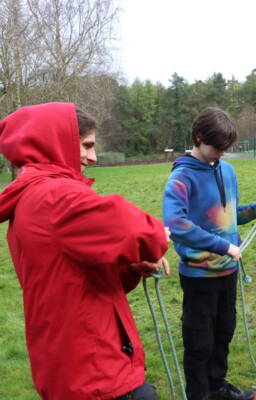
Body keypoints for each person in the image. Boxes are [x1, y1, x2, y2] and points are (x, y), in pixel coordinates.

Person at [0, 102, 170, 400]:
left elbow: (73, 274)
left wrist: (129, 268)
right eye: (86, 145)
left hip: (68, 358)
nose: (92, 157)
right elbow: (137, 232)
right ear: (56, 142)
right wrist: (159, 234)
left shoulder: (30, 197)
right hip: (94, 370)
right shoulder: (55, 196)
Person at [162, 107, 256, 400]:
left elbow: (229, 217)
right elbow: (176, 225)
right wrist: (222, 246)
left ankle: (217, 388)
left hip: (229, 271)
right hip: (199, 275)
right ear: (199, 137)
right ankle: (199, 394)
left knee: (223, 333)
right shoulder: (182, 177)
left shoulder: (226, 170)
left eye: (225, 149)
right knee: (199, 341)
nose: (221, 154)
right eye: (217, 148)